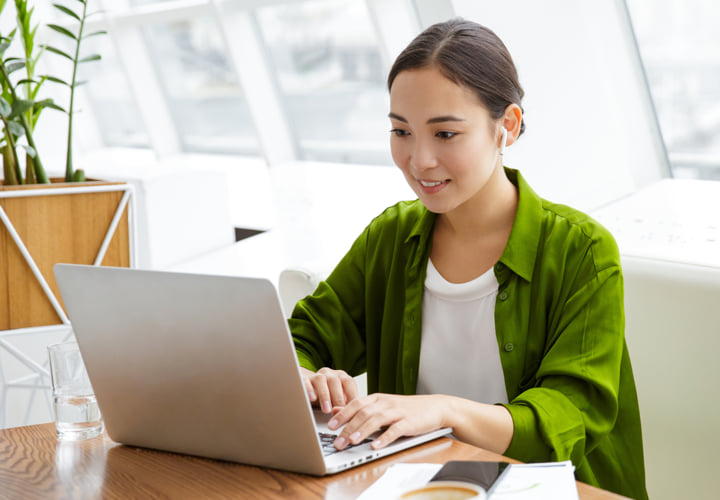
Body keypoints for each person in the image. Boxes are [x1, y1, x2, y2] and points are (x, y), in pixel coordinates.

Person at [289, 18, 648, 500]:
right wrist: (312, 379)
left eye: (445, 135)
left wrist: (443, 410)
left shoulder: (582, 250)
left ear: (508, 127)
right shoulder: (390, 237)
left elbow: (569, 415)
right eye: (401, 131)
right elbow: (300, 339)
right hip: (418, 486)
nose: (419, 161)